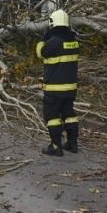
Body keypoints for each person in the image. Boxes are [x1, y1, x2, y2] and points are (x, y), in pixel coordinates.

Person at [36, 9, 80, 157]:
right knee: (69, 114)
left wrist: (44, 38)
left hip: (54, 88)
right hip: (71, 88)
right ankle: (72, 144)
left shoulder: (53, 42)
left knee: (52, 116)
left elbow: (40, 52)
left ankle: (56, 146)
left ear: (51, 23)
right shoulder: (74, 41)